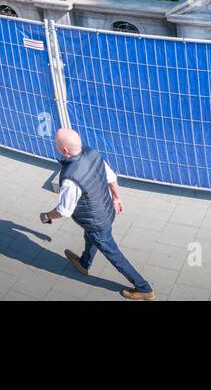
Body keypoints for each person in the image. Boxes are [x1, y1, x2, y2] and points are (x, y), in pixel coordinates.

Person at [39, 128, 154, 300]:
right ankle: (84, 263)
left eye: (56, 143)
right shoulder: (92, 153)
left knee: (113, 254)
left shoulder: (70, 178)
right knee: (91, 236)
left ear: (65, 151)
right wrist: (117, 199)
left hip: (96, 221)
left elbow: (64, 210)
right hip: (106, 210)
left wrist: (46, 216)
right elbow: (111, 178)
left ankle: (144, 288)